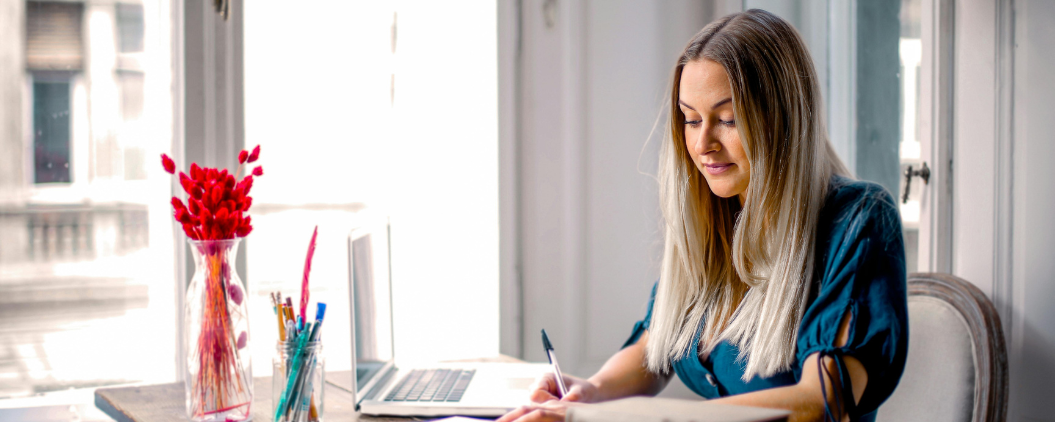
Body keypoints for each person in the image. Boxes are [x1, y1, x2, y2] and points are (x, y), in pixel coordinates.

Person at [498, 9, 908, 422]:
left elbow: (821, 400)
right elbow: (657, 344)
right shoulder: (716, 215)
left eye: (727, 119)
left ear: (783, 120)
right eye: (691, 119)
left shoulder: (858, 222)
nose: (702, 144)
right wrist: (591, 391)